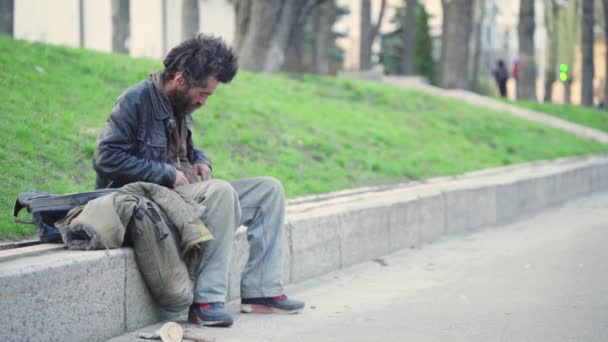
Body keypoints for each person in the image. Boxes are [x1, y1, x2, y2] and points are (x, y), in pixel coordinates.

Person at [93, 34, 305, 327]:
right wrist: (166, 174)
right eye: (203, 93)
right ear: (180, 79)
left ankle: (261, 293)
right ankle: (206, 302)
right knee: (220, 193)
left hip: (181, 200)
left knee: (269, 189)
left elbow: (186, 151)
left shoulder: (180, 107)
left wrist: (201, 160)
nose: (204, 102)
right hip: (149, 206)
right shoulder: (135, 101)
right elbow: (106, 158)